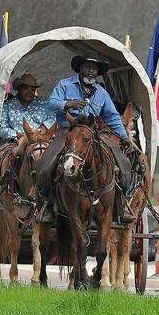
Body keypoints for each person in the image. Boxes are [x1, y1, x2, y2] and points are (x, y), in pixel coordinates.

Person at [36, 54, 139, 224]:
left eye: (95, 68)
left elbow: (112, 117)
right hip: (67, 131)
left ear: (98, 72)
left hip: (92, 133)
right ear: (81, 68)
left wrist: (125, 138)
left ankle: (121, 204)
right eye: (88, 67)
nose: (91, 71)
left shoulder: (101, 93)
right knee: (45, 164)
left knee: (123, 163)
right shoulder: (65, 85)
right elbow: (50, 104)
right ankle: (47, 203)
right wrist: (68, 104)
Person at [0, 73, 57, 144]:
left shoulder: (43, 103)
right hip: (17, 142)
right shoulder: (8, 105)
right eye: (25, 89)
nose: (29, 92)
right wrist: (17, 135)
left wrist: (42, 129)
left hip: (42, 140)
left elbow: (53, 118)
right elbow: (2, 128)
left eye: (32, 90)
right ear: (19, 89)